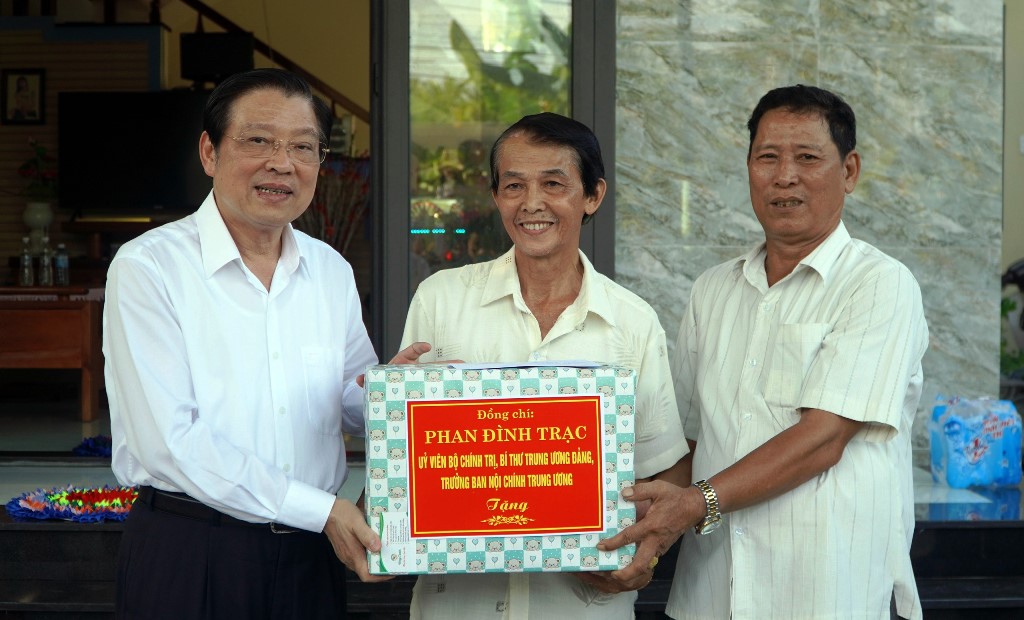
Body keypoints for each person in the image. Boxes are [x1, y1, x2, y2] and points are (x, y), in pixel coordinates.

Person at [599, 85, 929, 620]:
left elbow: (823, 437)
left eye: (807, 158)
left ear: (849, 171)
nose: (785, 176)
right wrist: (636, 538)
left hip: (825, 594)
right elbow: (686, 442)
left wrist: (694, 504)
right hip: (712, 594)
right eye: (768, 157)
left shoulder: (880, 285)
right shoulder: (712, 289)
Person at [103, 68, 424, 618]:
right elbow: (170, 443)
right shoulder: (149, 268)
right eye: (258, 141)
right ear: (209, 152)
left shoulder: (329, 269)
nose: (282, 163)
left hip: (310, 556)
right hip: (193, 548)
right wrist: (321, 510)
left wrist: (399, 392)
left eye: (303, 147)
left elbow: (347, 399)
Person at [399, 112, 690, 618]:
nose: (531, 203)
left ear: (593, 195)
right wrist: (393, 408)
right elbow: (406, 459)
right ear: (496, 197)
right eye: (514, 185)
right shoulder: (440, 300)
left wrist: (647, 552)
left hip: (584, 603)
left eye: (553, 184)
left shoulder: (632, 322)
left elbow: (665, 465)